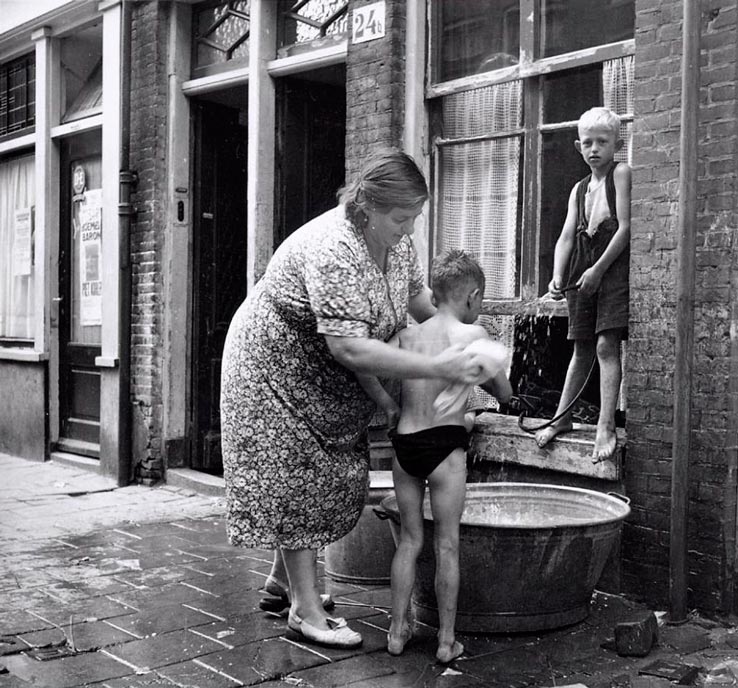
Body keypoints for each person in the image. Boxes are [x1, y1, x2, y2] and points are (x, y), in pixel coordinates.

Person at [220, 150, 484, 650]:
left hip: (324, 375)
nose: (408, 229)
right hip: (274, 364)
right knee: (296, 473)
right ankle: (306, 608)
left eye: (415, 217)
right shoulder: (333, 248)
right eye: (401, 218)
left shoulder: (395, 244)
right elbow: (348, 347)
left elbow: (419, 304)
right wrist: (436, 366)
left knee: (327, 473)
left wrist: (460, 331)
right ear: (366, 206)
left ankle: (283, 582)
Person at [361, 250, 512, 664]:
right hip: (445, 447)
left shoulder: (408, 338)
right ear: (472, 296)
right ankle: (446, 642)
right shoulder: (473, 335)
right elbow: (505, 394)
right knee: (447, 544)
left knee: (409, 541)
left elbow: (367, 366)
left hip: (405, 444)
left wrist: (389, 407)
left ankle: (396, 632)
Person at [536, 106, 631, 460]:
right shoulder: (579, 189)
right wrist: (559, 275)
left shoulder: (621, 174)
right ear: (578, 146)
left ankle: (606, 425)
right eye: (588, 143)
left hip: (612, 274)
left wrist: (599, 270)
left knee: (606, 346)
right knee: (581, 349)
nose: (595, 149)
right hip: (583, 272)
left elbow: (625, 228)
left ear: (616, 145)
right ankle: (562, 418)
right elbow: (566, 237)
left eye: (602, 142)